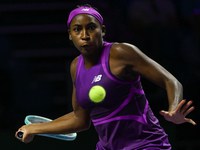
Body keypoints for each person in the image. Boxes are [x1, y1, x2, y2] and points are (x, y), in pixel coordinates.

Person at [15, 4, 196, 150]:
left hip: (146, 145)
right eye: (77, 30)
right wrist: (34, 129)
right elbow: (80, 119)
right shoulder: (75, 67)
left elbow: (170, 80)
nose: (85, 36)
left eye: (91, 28)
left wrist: (173, 110)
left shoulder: (121, 52)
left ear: (102, 30)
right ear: (70, 35)